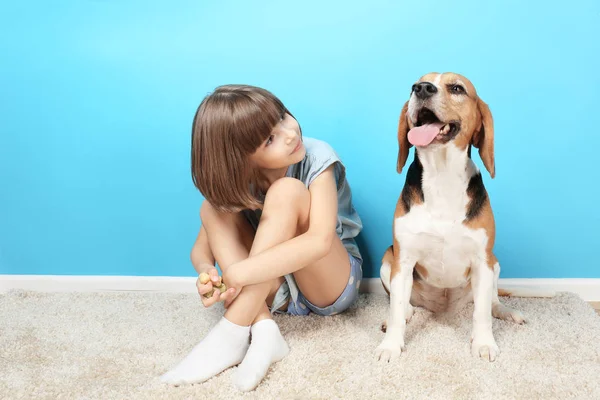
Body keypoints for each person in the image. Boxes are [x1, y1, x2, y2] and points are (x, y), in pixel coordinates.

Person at [160, 84, 363, 391]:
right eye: (270, 138)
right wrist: (208, 273)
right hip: (275, 293)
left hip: (330, 282)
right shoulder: (242, 182)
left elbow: (320, 241)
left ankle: (232, 330)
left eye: (282, 116)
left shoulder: (318, 156)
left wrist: (240, 273)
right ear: (242, 159)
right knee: (213, 208)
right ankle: (265, 328)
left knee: (288, 191)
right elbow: (201, 250)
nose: (290, 133)